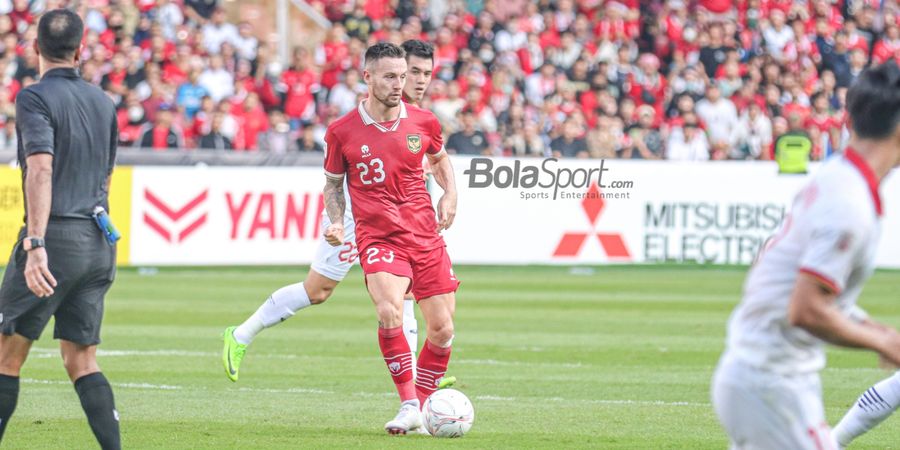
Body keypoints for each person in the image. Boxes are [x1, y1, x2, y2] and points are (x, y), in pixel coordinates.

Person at [221, 41, 448, 395]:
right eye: (412, 72)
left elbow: (431, 159)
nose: (418, 81)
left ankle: (416, 382)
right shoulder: (360, 121)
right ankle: (240, 334)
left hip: (401, 224)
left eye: (424, 74)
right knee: (319, 290)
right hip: (361, 218)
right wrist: (338, 220)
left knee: (405, 294)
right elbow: (337, 179)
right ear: (377, 76)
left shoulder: (418, 119)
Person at [711, 62, 900, 450]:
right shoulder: (850, 205)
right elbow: (807, 309)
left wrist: (882, 333)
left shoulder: (835, 175)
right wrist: (883, 343)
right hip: (771, 383)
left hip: (760, 376)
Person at [321, 41, 459, 435]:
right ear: (367, 77)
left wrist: (450, 194)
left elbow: (439, 158)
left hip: (425, 235)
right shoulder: (342, 131)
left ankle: (423, 406)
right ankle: (409, 403)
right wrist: (336, 221)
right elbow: (333, 185)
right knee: (389, 311)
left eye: (404, 76)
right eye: (390, 77)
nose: (400, 84)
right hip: (379, 236)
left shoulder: (425, 121)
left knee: (443, 329)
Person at [0, 10, 121, 449]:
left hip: (55, 241)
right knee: (81, 359)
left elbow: (40, 168)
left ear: (34, 48)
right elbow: (105, 176)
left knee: (6, 357)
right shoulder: (104, 102)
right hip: (97, 244)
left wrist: (35, 243)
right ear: (80, 48)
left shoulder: (33, 98)